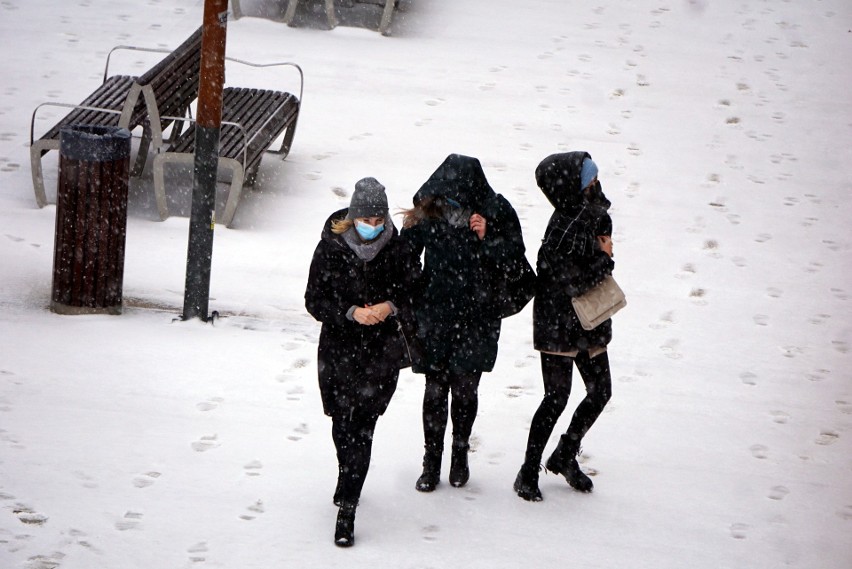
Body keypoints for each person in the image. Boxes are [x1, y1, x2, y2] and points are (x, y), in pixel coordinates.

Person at [401, 154, 528, 492]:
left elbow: (518, 268)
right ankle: (431, 460)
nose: (451, 202)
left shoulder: (497, 212)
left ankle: (459, 452)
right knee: (435, 388)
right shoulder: (428, 212)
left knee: (466, 389)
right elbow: (403, 261)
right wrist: (417, 292)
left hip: (477, 317)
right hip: (437, 314)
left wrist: (490, 238)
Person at [305, 177, 421, 546]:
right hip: (338, 349)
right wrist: (351, 312)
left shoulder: (398, 249)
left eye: (378, 218)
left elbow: (413, 291)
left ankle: (348, 510)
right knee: (342, 424)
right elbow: (314, 299)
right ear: (353, 217)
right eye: (366, 218)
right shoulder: (330, 248)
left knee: (364, 427)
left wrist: (390, 307)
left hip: (380, 352)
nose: (372, 225)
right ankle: (346, 473)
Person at [514, 152, 615, 502]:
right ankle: (528, 471)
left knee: (601, 391)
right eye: (588, 179)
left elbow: (594, 260)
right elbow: (575, 281)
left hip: (589, 320)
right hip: (558, 323)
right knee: (556, 397)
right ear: (571, 185)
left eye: (595, 177)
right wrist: (604, 258)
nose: (594, 183)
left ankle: (565, 454)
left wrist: (602, 250)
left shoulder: (595, 213)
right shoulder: (561, 230)